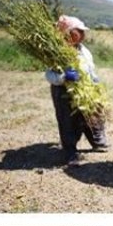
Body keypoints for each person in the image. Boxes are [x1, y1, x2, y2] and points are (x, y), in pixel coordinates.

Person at [45, 15, 109, 165]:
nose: (83, 34)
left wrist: (95, 80)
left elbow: (90, 68)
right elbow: (48, 74)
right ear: (67, 33)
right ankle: (70, 152)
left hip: (84, 90)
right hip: (63, 92)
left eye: (82, 31)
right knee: (67, 121)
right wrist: (63, 77)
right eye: (79, 31)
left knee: (89, 115)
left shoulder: (84, 50)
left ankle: (96, 140)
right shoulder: (56, 52)